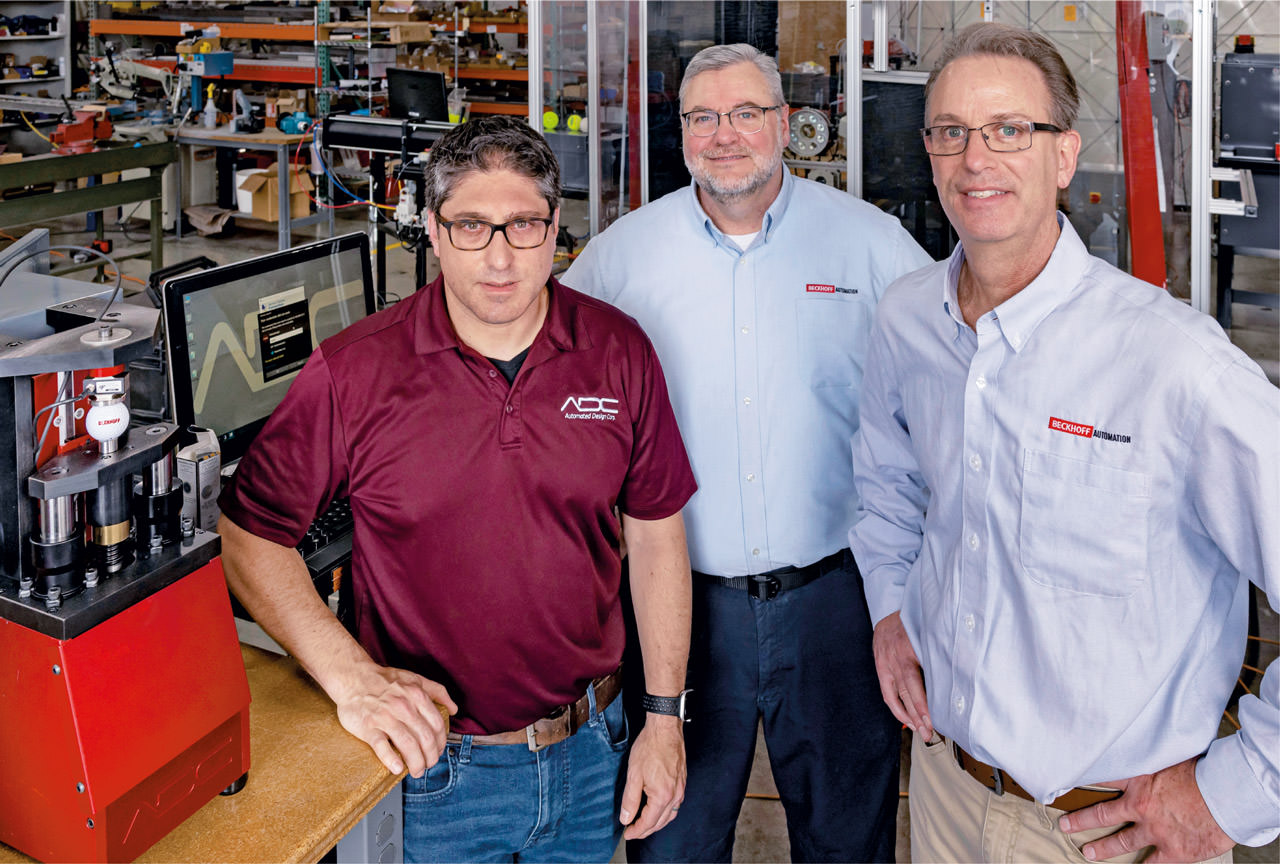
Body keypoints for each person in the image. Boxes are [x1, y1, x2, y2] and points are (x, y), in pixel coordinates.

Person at [850, 21, 1279, 863]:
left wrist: (1236, 794)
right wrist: (892, 607)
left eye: (1011, 130)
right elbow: (886, 483)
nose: (977, 159)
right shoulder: (907, 319)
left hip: (1114, 831)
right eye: (951, 133)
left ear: (1064, 154)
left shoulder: (1175, 366)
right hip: (945, 791)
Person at [217, 116, 699, 863]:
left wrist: (663, 720)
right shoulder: (356, 371)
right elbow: (250, 531)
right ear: (434, 234)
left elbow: (657, 533)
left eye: (523, 226)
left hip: (591, 751)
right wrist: (350, 679)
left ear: (555, 232)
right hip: (431, 772)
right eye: (471, 226)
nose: (500, 258)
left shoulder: (618, 350)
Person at [565, 43, 933, 863]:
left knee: (849, 837)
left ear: (785, 124)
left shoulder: (870, 246)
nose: (723, 135)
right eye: (702, 116)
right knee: (675, 839)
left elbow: (949, 390)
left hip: (836, 602)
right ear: (682, 130)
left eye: (744, 114)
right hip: (679, 613)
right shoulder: (622, 258)